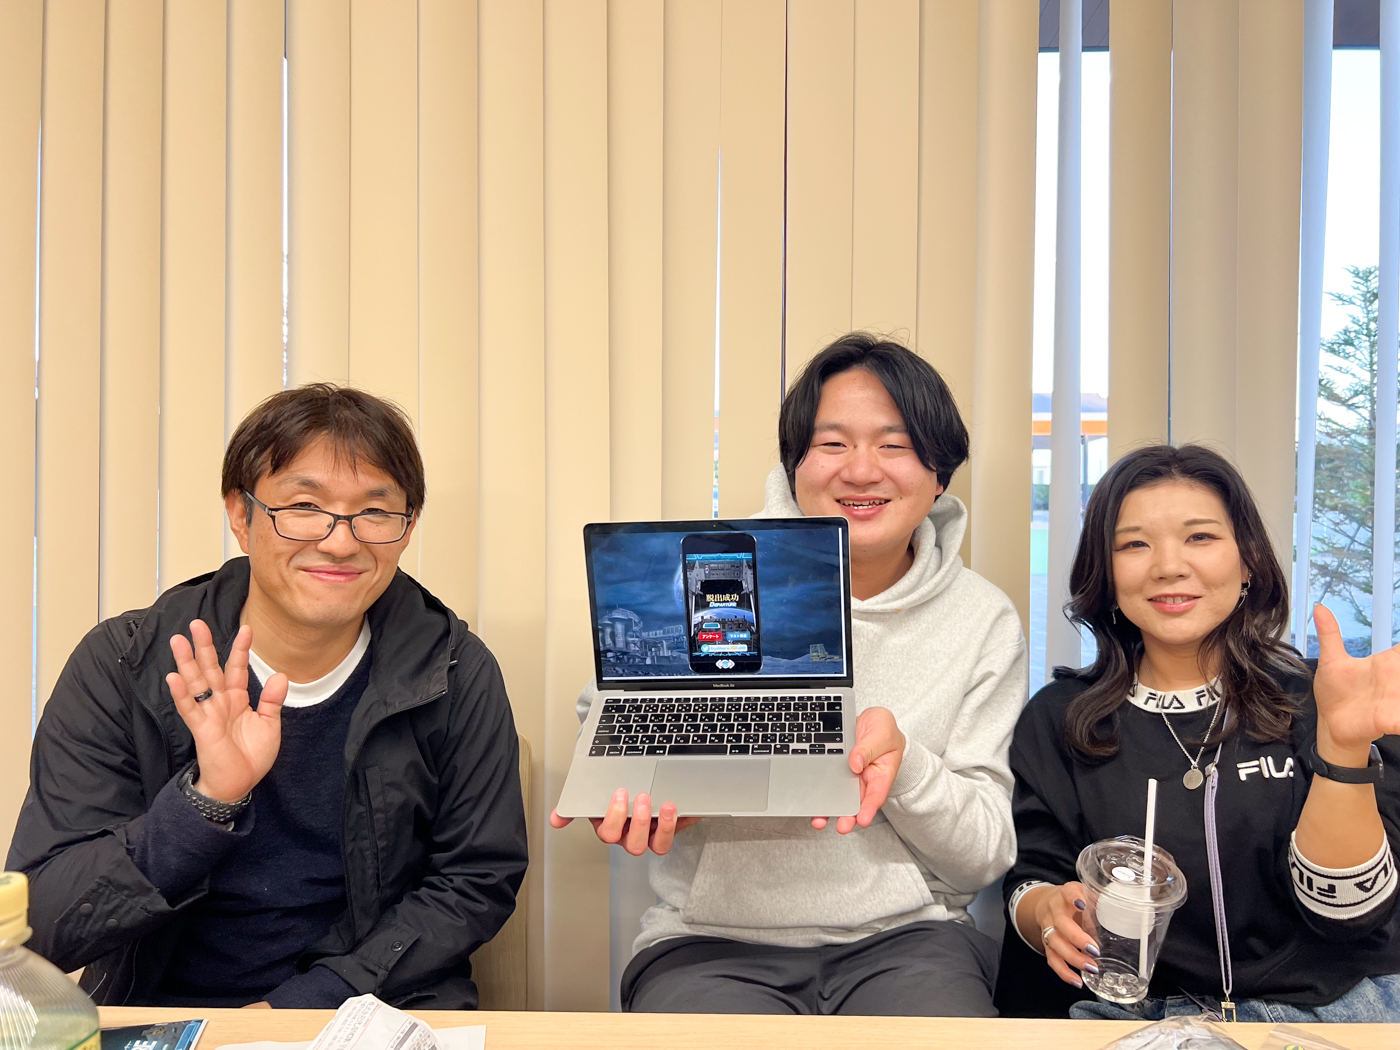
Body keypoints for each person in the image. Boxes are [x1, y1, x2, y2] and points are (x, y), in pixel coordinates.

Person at [552, 332, 1028, 1015]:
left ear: (940, 475)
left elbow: (985, 855)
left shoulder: (983, 619)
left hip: (910, 942)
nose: (861, 470)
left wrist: (905, 766)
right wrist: (649, 785)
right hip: (708, 943)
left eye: (894, 445)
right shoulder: (710, 576)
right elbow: (611, 710)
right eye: (832, 443)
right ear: (794, 465)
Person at [7, 385, 528, 1009]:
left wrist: (305, 1005)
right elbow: (45, 928)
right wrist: (206, 802)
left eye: (375, 511)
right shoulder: (126, 664)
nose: (340, 542)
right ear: (241, 514)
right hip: (172, 1011)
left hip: (377, 1007)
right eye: (304, 506)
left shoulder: (451, 668)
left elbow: (475, 880)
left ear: (407, 527)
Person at [997, 443, 1400, 1022]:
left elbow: (1349, 917)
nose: (1168, 565)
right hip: (1129, 1019)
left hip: (1322, 1010)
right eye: (1134, 544)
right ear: (1105, 574)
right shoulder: (1060, 716)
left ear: (1249, 561)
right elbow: (1030, 876)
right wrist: (1046, 913)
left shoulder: (1328, 700)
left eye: (1200, 537)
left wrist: (1342, 749)